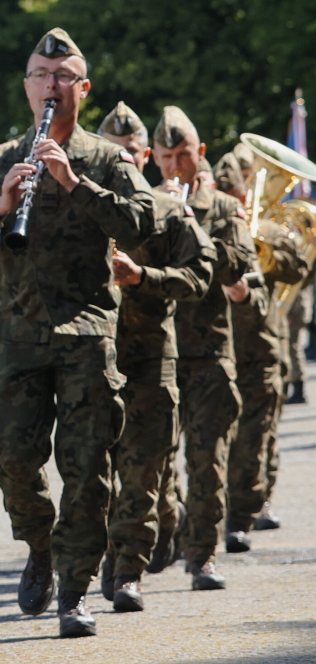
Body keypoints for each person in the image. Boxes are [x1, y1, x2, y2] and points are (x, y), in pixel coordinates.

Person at [0, 28, 154, 638]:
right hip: (16, 335)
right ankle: (40, 542)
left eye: (63, 77)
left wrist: (74, 184)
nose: (52, 86)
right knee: (10, 454)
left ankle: (74, 589)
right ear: (28, 85)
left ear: (82, 89)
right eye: (41, 75)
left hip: (87, 333)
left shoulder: (108, 160)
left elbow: (143, 225)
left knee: (88, 468)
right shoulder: (0, 159)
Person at [96, 104, 212, 611]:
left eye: (129, 153)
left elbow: (200, 274)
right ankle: (111, 547)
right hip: (92, 359)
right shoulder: (79, 207)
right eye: (111, 153)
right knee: (94, 470)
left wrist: (146, 279)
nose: (121, 160)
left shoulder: (166, 211)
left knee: (143, 470)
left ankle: (127, 570)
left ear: (145, 157)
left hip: (148, 358)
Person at [150, 106, 256, 591]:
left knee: (207, 459)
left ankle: (203, 557)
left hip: (209, 350)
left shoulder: (226, 208)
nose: (176, 166)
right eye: (166, 156)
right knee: (152, 462)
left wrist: (189, 223)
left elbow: (234, 263)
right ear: (152, 157)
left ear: (201, 154)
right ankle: (160, 539)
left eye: (184, 155)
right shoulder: (142, 207)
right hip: (154, 353)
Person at [215, 157, 308, 554]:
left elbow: (301, 268)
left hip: (260, 346)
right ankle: (210, 515)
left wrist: (268, 252)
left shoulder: (267, 229)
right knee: (213, 440)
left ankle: (244, 512)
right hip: (215, 348)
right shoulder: (209, 227)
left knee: (256, 436)